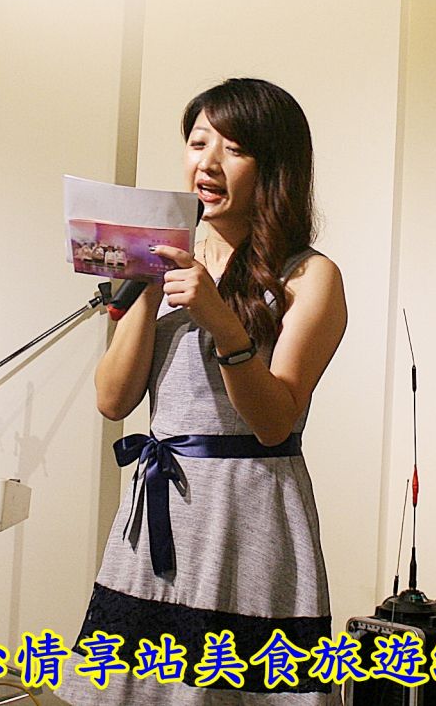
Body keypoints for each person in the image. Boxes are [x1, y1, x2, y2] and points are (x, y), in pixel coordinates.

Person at [58, 78, 348, 705]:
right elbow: (113, 401)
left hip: (249, 513)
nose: (208, 163)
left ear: (274, 167)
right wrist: (145, 285)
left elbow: (274, 421)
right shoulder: (167, 259)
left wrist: (222, 320)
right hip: (158, 507)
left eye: (234, 148)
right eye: (197, 143)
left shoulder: (310, 276)